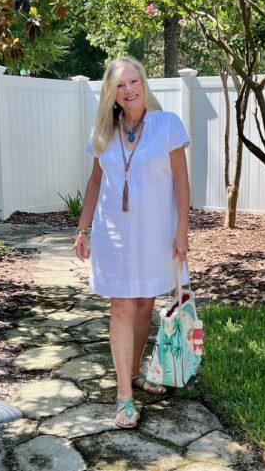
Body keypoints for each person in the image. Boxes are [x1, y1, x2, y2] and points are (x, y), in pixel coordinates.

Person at [73, 57, 190, 429]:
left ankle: (136, 371)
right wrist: (83, 228)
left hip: (156, 230)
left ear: (144, 84)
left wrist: (183, 230)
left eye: (134, 81)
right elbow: (95, 182)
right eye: (120, 85)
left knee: (143, 304)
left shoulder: (167, 125)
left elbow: (181, 182)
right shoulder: (103, 133)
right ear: (112, 93)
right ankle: (125, 396)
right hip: (113, 233)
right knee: (122, 305)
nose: (129, 90)